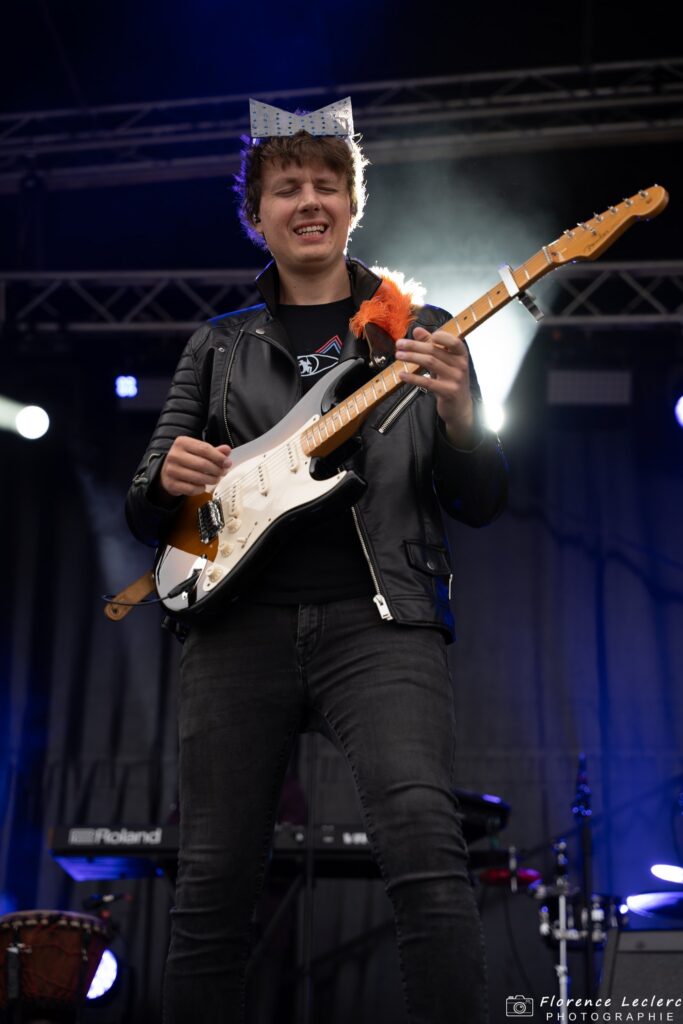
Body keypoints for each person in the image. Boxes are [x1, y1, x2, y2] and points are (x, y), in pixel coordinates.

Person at [125, 97, 508, 1024]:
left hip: (381, 624)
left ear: (352, 204)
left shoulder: (417, 330)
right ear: (256, 214)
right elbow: (145, 506)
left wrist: (462, 416)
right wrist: (170, 479)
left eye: (327, 184)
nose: (309, 200)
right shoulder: (217, 345)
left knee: (425, 851)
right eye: (287, 186)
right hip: (234, 631)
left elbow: (481, 499)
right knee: (212, 886)